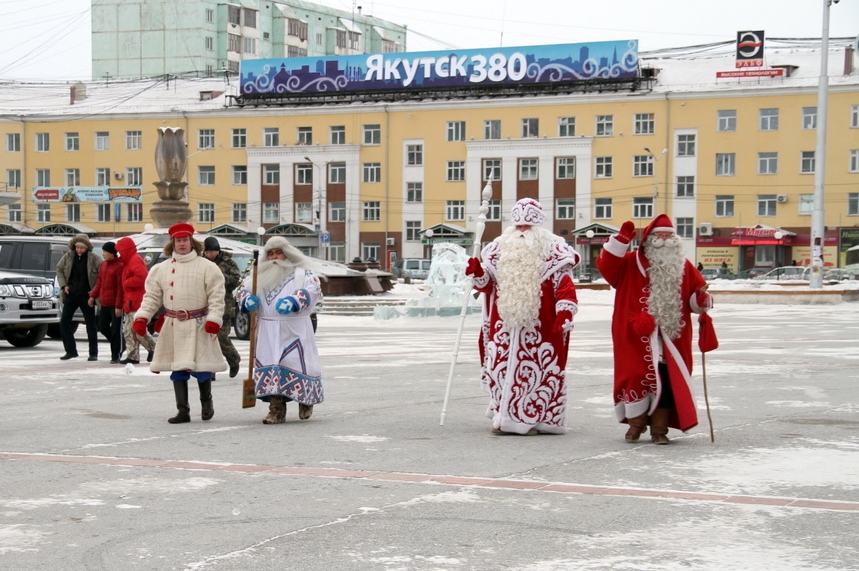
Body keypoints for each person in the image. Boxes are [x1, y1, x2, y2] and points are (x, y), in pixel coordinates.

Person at [464, 198, 580, 436]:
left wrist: (565, 310)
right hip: (504, 325)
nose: (522, 231)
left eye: (527, 227)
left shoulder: (555, 252)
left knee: (538, 373)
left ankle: (535, 419)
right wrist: (477, 272)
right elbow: (487, 285)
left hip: (541, 328)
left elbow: (565, 286)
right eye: (519, 227)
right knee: (502, 370)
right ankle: (503, 415)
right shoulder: (498, 250)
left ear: (538, 227)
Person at [597, 214, 713, 445]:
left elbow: (696, 293)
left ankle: (660, 430)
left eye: (669, 235)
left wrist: (701, 300)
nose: (664, 239)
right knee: (634, 377)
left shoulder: (683, 266)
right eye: (659, 235)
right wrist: (619, 242)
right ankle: (635, 425)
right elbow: (606, 267)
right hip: (634, 334)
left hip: (671, 336)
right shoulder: (629, 262)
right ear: (649, 239)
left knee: (668, 381)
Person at [133, 223, 227, 424]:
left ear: (191, 242)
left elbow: (217, 296)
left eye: (185, 240)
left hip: (198, 324)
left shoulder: (208, 267)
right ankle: (183, 410)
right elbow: (152, 297)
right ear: (172, 243)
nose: (182, 244)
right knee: (178, 370)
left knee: (201, 369)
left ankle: (206, 402)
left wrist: (214, 319)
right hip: (174, 325)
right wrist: (142, 317)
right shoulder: (161, 269)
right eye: (178, 240)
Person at [237, 236, 324, 424]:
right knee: (271, 365)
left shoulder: (302, 274)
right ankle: (276, 410)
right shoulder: (257, 275)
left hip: (294, 327)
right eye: (271, 254)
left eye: (278, 253)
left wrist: (295, 301)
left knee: (296, 363)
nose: (274, 257)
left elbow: (313, 289)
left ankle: (305, 400)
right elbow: (243, 291)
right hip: (267, 328)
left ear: (288, 254)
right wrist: (246, 300)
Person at [56, 234, 102, 361]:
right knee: (64, 322)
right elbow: (59, 269)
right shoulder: (68, 257)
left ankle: (93, 353)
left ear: (87, 247)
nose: (79, 250)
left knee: (90, 325)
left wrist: (94, 291)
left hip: (87, 296)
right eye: (77, 247)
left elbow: (102, 275)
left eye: (82, 247)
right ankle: (71, 351)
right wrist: (64, 285)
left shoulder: (94, 258)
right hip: (71, 295)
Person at [202, 237, 242, 379]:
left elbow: (236, 281)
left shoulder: (228, 263)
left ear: (218, 251)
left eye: (213, 252)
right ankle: (210, 370)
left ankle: (234, 360)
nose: (210, 255)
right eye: (208, 252)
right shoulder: (200, 262)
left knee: (221, 337)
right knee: (207, 339)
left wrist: (219, 276)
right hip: (204, 305)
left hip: (224, 306)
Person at [115, 237, 157, 365]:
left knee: (136, 331)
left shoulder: (134, 260)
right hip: (131, 302)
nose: (119, 254)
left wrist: (127, 283)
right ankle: (134, 355)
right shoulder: (129, 261)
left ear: (126, 250)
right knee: (129, 331)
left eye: (120, 251)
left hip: (136, 303)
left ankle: (154, 349)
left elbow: (142, 276)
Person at [88, 241, 125, 364]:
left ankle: (116, 355)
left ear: (113, 253)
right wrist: (93, 295)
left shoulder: (120, 266)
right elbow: (100, 283)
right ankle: (121, 344)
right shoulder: (103, 265)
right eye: (103, 252)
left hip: (115, 304)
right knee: (102, 326)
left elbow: (121, 288)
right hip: (104, 302)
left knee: (115, 330)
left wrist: (119, 306)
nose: (103, 254)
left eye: (106, 252)